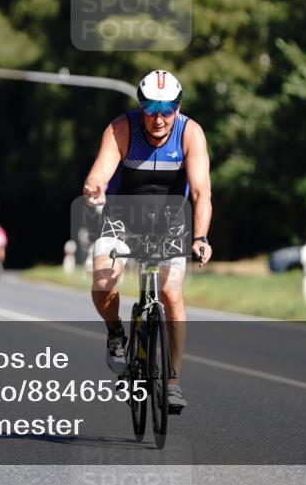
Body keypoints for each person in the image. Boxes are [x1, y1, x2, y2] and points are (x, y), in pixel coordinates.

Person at [82, 70, 213, 414]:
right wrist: (94, 188)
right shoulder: (122, 128)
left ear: (178, 107)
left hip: (170, 221)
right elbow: (100, 172)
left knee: (171, 293)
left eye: (167, 109)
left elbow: (201, 193)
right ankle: (115, 334)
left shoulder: (190, 133)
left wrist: (200, 237)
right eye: (151, 108)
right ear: (141, 107)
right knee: (103, 283)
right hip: (123, 217)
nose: (158, 117)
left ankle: (172, 382)